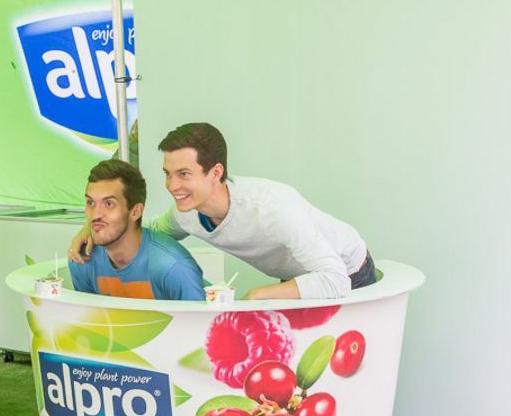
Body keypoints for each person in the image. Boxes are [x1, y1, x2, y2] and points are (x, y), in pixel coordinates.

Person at [70, 123, 376, 299]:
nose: (172, 185)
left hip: (348, 270)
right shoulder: (187, 214)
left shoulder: (272, 207)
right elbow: (143, 227)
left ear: (215, 173)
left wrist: (257, 296)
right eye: (167, 173)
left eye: (184, 174)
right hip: (299, 275)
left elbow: (336, 280)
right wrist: (92, 228)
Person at [69, 158, 205, 301]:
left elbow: (202, 322)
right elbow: (90, 319)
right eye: (90, 203)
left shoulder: (173, 267)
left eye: (109, 204)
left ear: (135, 212)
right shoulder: (82, 259)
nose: (95, 215)